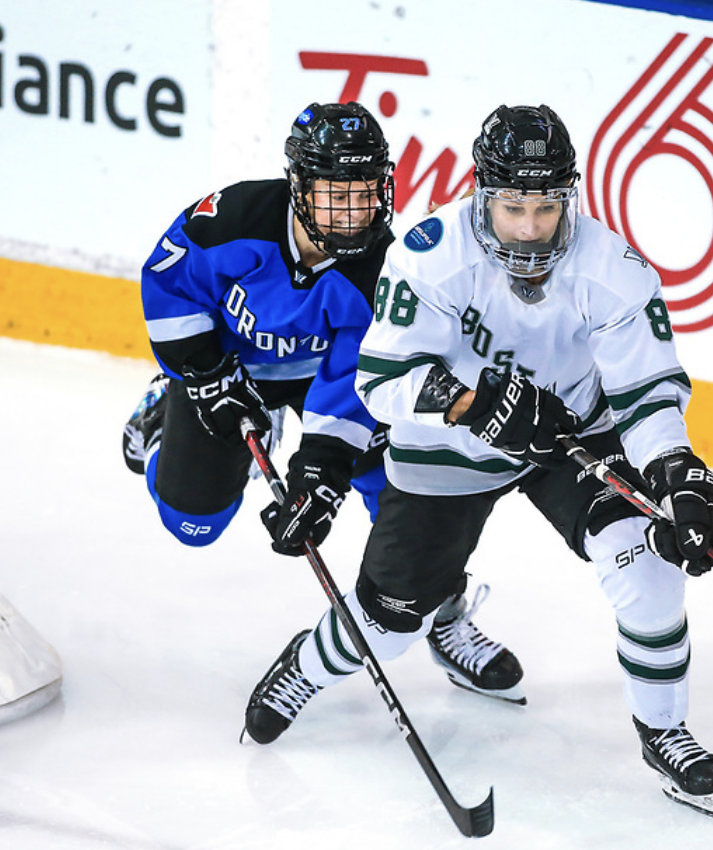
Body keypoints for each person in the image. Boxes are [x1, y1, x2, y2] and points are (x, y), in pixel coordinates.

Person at [243, 104, 713, 818]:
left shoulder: (613, 269)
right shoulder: (431, 253)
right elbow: (381, 381)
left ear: (569, 196)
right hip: (449, 446)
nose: (530, 228)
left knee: (648, 569)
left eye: (545, 207)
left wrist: (677, 474)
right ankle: (306, 667)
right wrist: (478, 405)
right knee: (388, 623)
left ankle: (664, 729)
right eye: (512, 207)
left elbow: (646, 390)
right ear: (483, 195)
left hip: (569, 437)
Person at [122, 101, 524, 709]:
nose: (354, 210)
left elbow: (361, 376)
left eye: (366, 192)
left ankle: (442, 608)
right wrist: (204, 377)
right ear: (299, 187)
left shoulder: (384, 267)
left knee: (406, 484)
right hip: (232, 371)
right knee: (192, 523)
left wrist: (320, 473)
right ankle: (159, 418)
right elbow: (169, 281)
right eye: (337, 194)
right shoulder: (233, 218)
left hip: (323, 386)